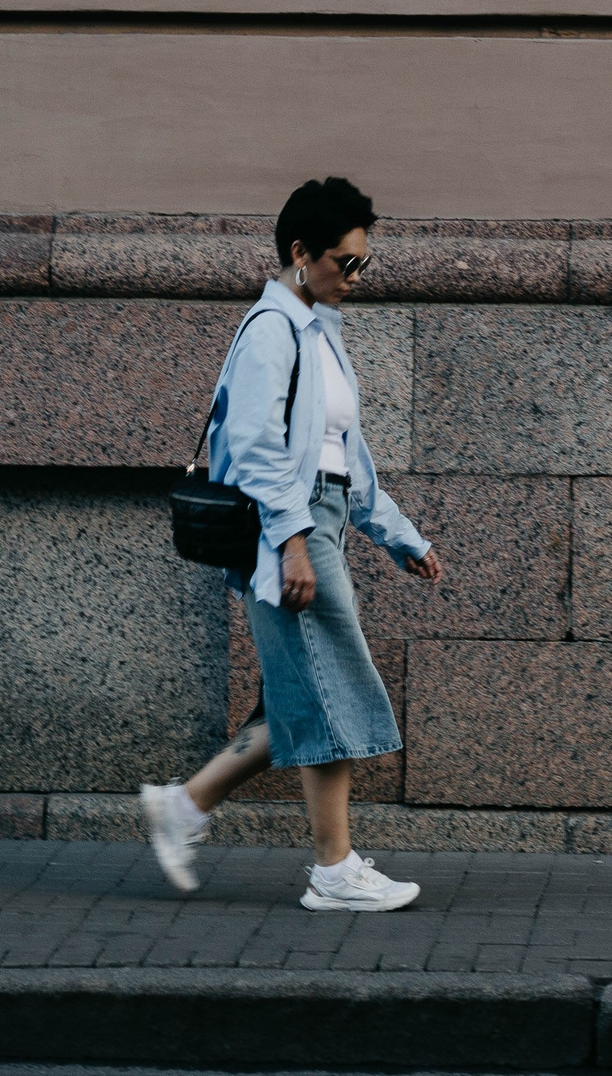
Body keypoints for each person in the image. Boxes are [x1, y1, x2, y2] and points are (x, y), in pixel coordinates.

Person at [140, 178, 444, 911]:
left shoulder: (319, 330)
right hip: (291, 522)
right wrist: (292, 541)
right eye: (346, 261)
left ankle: (182, 807)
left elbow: (345, 455)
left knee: (300, 696)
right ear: (301, 253)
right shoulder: (273, 331)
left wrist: (398, 534)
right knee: (329, 686)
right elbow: (253, 444)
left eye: (364, 263)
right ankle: (334, 872)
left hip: (320, 517)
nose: (356, 276)